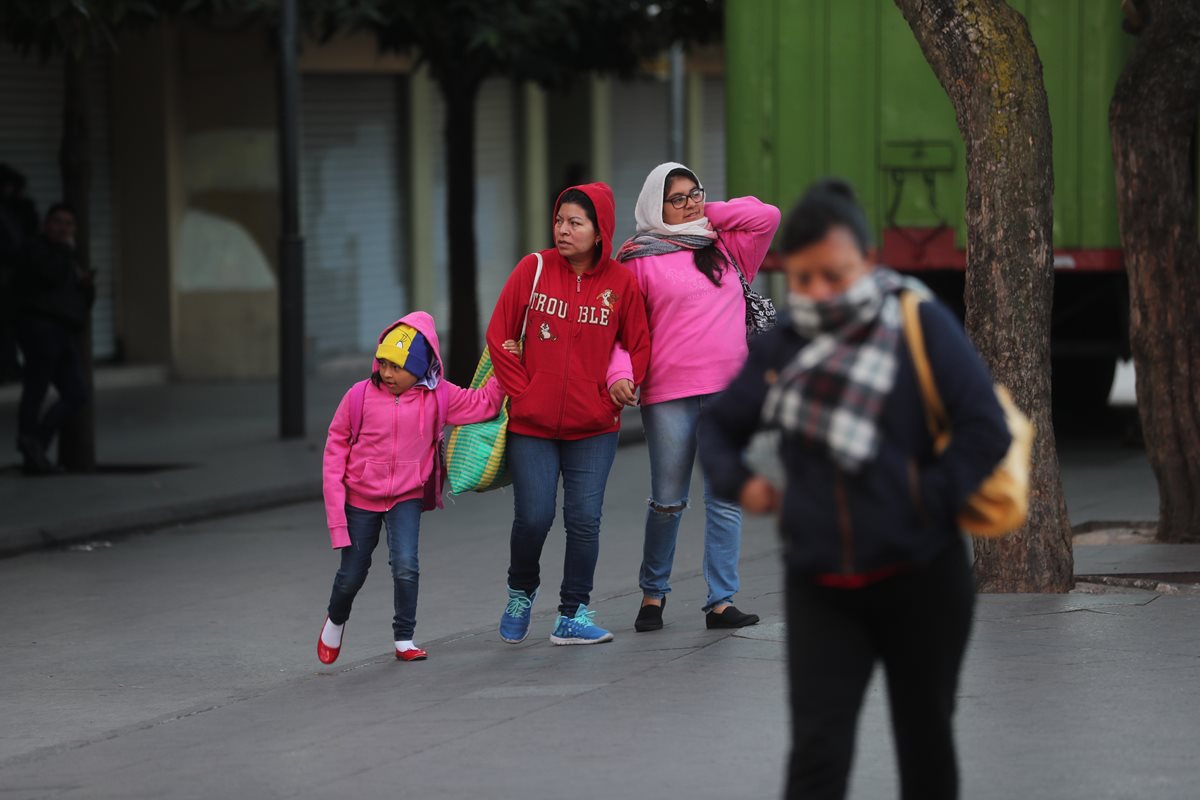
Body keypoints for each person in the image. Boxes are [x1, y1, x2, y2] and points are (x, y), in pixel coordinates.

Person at [699, 179, 1011, 800]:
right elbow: (718, 426)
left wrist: (926, 497)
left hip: (922, 579)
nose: (819, 293)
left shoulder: (917, 324)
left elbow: (986, 428)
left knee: (924, 744)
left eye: (835, 275)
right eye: (805, 279)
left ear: (867, 261)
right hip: (822, 585)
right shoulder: (786, 342)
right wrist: (742, 483)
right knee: (818, 755)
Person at [608, 161, 781, 632]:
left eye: (694, 193)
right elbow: (622, 332)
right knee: (668, 500)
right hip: (668, 393)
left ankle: (721, 602)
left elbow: (767, 216)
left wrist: (709, 213)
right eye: (677, 198)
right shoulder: (637, 260)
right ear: (653, 205)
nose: (690, 204)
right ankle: (652, 595)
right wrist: (619, 373)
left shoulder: (724, 245)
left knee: (725, 496)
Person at [487, 182, 650, 646]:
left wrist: (618, 388)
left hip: (595, 426)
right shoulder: (533, 269)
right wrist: (525, 392)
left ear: (600, 232)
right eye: (559, 221)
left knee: (584, 519)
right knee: (534, 517)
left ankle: (573, 612)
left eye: (575, 223)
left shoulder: (621, 283)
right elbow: (500, 334)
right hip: (532, 425)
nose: (563, 230)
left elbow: (639, 343)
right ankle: (521, 592)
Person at [317, 311, 504, 665]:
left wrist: (505, 366)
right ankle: (336, 617)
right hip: (360, 499)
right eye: (384, 362)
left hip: (406, 497)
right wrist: (336, 516)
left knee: (406, 565)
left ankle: (404, 637)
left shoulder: (439, 397)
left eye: (398, 366)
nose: (387, 373)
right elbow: (334, 450)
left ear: (421, 368)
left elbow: (484, 404)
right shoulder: (358, 396)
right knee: (352, 573)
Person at [13, 203, 92, 475]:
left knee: (76, 392)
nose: (64, 229)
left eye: (69, 224)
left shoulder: (68, 256)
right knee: (36, 387)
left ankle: (36, 442)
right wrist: (66, 253)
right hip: (39, 329)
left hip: (63, 332)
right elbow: (48, 277)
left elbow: (78, 297)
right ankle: (30, 443)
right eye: (58, 222)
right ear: (46, 224)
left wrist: (85, 286)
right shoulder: (36, 249)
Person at [0, 164, 38, 384]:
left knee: (12, 324)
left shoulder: (19, 209)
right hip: (12, 274)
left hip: (15, 275)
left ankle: (10, 365)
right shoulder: (15, 210)